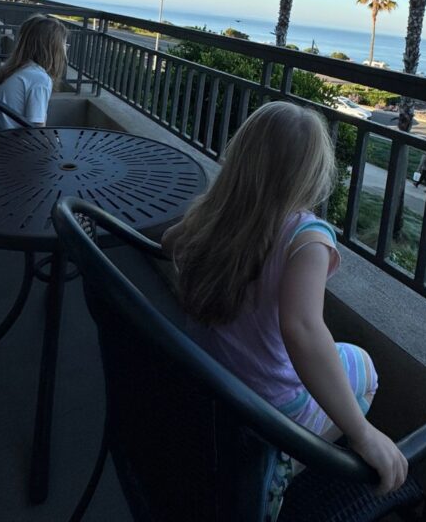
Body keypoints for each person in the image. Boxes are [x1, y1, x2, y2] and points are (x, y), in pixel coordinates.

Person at [162, 101, 407, 518]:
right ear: (312, 174)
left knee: (338, 357)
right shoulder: (306, 238)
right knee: (364, 368)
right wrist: (362, 434)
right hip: (271, 409)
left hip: (217, 381)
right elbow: (303, 331)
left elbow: (170, 241)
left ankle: (273, 456)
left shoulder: (215, 212)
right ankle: (282, 463)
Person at [0, 15, 68, 130]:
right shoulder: (39, 79)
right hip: (13, 145)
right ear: (54, 48)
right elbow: (37, 131)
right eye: (64, 45)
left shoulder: (10, 69)